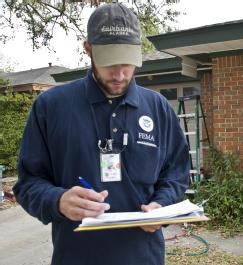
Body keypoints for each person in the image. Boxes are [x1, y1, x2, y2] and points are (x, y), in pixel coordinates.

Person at [13, 3, 190, 265]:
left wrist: (161, 205)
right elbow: (28, 184)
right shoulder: (50, 106)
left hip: (145, 258)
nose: (119, 74)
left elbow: (176, 175)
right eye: (110, 62)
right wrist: (58, 200)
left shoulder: (158, 108)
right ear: (88, 48)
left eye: (127, 63)